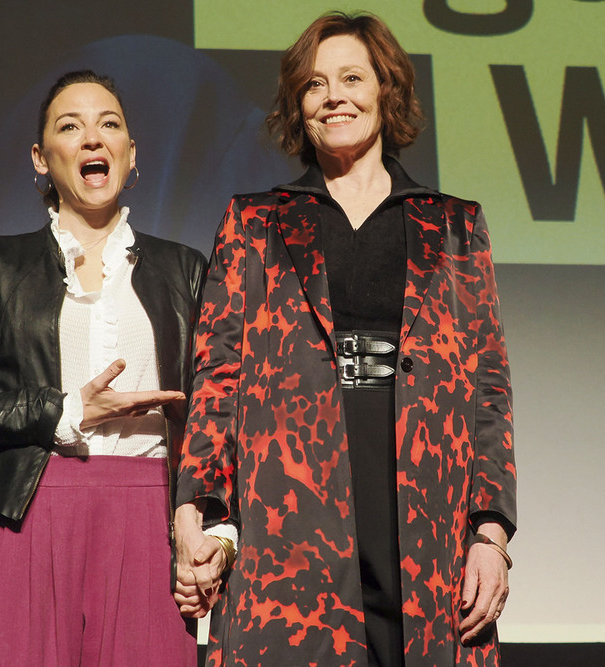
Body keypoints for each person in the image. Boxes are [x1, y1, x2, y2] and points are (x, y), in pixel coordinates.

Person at [172, 11, 516, 667]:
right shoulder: (255, 224)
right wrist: (196, 516)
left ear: (386, 90)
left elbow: (489, 393)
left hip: (424, 522)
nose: (334, 96)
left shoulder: (454, 227)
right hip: (289, 521)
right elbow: (216, 380)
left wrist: (491, 536)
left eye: (352, 78)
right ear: (297, 106)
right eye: (315, 84)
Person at [0, 70, 204, 666]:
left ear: (132, 155)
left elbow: (221, 416)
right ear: (41, 158)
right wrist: (67, 410)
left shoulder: (185, 271)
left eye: (110, 125)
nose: (92, 139)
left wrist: (209, 530)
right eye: (69, 127)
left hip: (149, 515)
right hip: (27, 513)